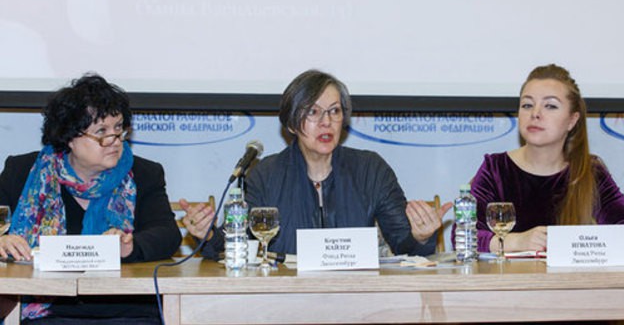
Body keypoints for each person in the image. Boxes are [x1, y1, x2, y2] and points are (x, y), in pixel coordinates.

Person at [180, 69, 452, 259]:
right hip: (283, 301)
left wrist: (420, 236)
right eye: (313, 112)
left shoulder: (371, 169)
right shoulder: (265, 174)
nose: (326, 122)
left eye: (334, 111)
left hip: (356, 298)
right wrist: (208, 235)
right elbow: (237, 247)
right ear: (290, 123)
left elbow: (404, 246)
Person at [0, 73, 181, 324]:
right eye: (101, 132)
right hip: (49, 314)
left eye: (119, 129)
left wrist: (130, 247)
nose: (114, 141)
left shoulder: (144, 173)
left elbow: (167, 234)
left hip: (129, 312)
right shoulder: (22, 171)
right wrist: (2, 239)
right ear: (70, 138)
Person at [468, 64, 624, 254]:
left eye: (550, 106)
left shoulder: (590, 171)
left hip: (570, 283)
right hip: (509, 283)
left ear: (572, 120)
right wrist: (516, 242)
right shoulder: (495, 168)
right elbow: (465, 236)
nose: (535, 114)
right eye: (527, 105)